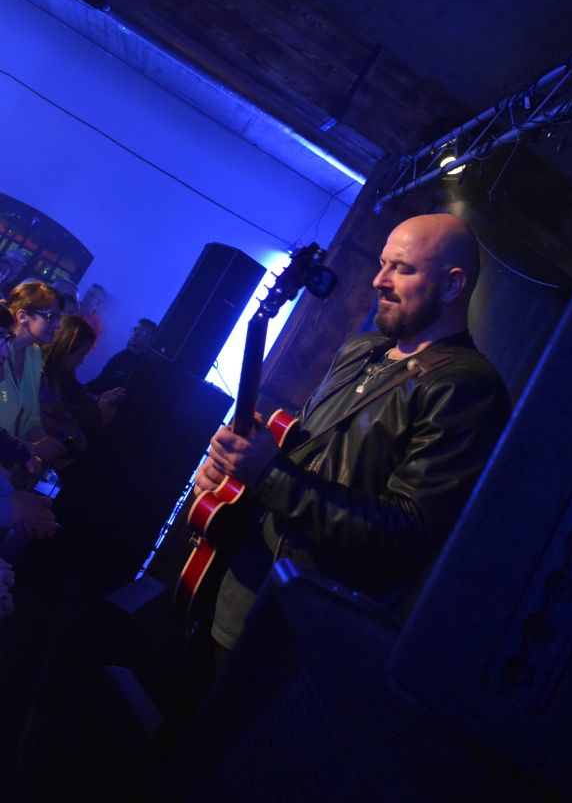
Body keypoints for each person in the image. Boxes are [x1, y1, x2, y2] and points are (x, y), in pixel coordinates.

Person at [194, 212, 511, 669]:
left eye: (401, 269)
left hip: (296, 633)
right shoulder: (361, 350)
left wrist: (267, 474)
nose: (379, 280)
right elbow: (305, 454)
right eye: (382, 264)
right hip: (232, 587)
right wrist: (235, 468)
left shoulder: (466, 387)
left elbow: (407, 535)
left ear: (452, 285)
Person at [0, 283, 65, 468]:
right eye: (51, 317)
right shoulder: (1, 352)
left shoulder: (34, 354)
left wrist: (46, 448)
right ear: (23, 316)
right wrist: (30, 450)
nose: (58, 325)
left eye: (59, 318)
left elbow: (31, 414)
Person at [41, 315, 122, 450]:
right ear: (67, 347)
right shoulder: (42, 370)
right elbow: (56, 409)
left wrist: (100, 400)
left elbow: (77, 393)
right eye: (81, 354)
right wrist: (97, 413)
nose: (82, 361)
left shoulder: (64, 372)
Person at [86, 317, 157, 396]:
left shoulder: (144, 365)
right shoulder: (122, 355)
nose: (136, 334)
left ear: (151, 339)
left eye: (143, 332)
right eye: (135, 329)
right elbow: (99, 380)